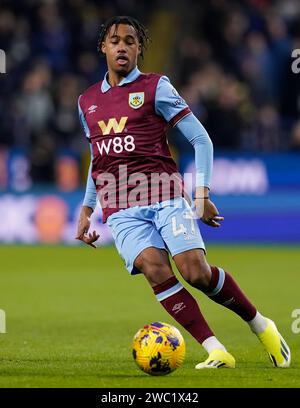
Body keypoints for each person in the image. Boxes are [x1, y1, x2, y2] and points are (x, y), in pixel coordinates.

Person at [76, 16, 291, 369]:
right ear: (104, 47)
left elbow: (200, 138)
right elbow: (97, 157)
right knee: (154, 268)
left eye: (130, 41)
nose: (122, 47)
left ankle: (261, 324)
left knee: (195, 272)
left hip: (163, 192)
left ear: (139, 48)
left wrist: (202, 193)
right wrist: (86, 208)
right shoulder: (86, 101)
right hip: (119, 204)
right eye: (115, 40)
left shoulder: (155, 87)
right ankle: (215, 349)